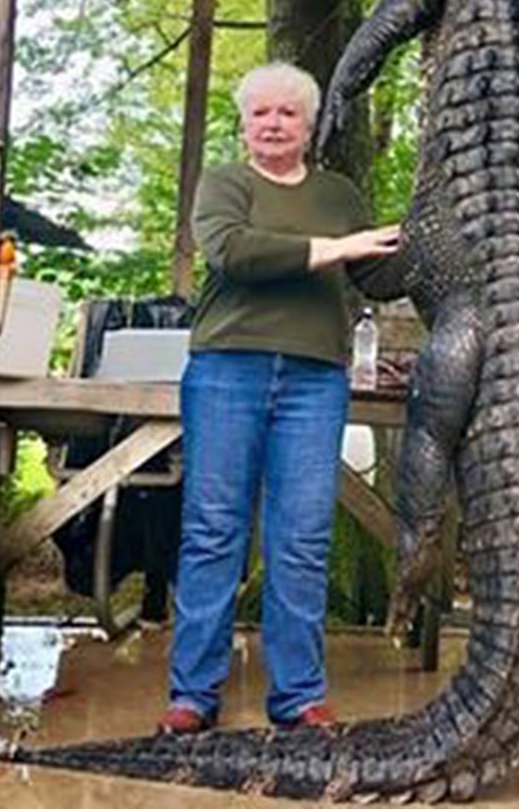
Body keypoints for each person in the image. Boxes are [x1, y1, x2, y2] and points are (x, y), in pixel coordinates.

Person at [158, 62, 402, 735]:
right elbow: (235, 252)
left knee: (302, 537)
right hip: (227, 370)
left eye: (287, 113)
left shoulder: (339, 194)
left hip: (314, 379)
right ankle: (193, 695)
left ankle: (298, 695)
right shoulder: (225, 183)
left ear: (309, 123)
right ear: (244, 124)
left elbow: (373, 269)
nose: (272, 123)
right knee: (213, 532)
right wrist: (337, 247)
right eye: (260, 113)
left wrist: (426, 234)